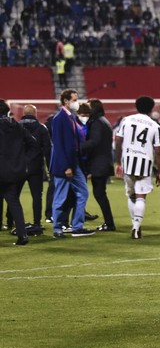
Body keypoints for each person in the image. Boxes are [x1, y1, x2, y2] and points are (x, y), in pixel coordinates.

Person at [115, 96, 160, 239]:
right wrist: (159, 171)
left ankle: (135, 225)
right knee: (141, 196)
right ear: (151, 108)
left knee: (131, 195)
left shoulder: (127, 120)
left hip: (128, 161)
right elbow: (158, 151)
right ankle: (136, 228)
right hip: (145, 164)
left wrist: (118, 163)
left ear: (136, 106)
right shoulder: (155, 126)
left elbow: (118, 141)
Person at [49, 90, 95, 238]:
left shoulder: (72, 117)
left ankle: (77, 227)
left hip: (75, 163)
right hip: (65, 165)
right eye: (74, 99)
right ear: (66, 101)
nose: (77, 102)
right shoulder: (59, 118)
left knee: (83, 193)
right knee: (61, 197)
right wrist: (66, 166)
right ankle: (57, 229)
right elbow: (58, 145)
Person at [0, 99, 39, 245]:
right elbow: (34, 145)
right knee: (14, 202)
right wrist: (23, 161)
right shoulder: (17, 125)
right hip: (15, 172)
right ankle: (23, 236)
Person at [81, 99, 116, 231]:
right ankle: (109, 222)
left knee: (99, 193)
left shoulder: (97, 123)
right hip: (103, 162)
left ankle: (110, 223)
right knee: (100, 193)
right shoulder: (103, 121)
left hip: (99, 163)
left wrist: (77, 147)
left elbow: (94, 142)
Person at [19, 104, 52, 234]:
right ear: (35, 114)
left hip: (19, 167)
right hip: (36, 168)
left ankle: (13, 222)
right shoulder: (42, 128)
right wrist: (50, 168)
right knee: (37, 197)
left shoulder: (16, 127)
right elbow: (48, 150)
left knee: (13, 196)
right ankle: (37, 223)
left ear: (23, 113)